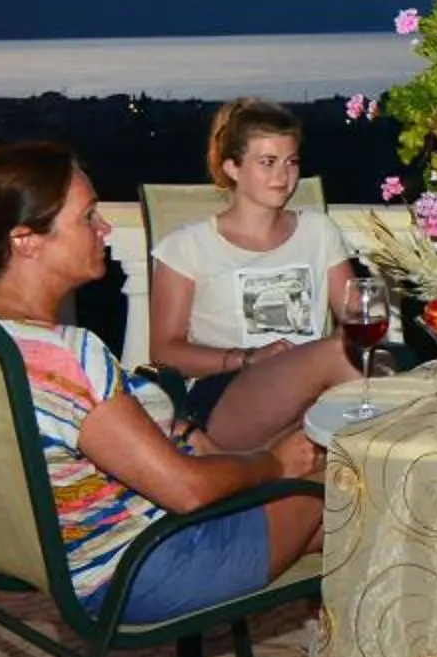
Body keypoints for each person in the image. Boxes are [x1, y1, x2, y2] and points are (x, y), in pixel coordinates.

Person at [0, 141, 322, 623]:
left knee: (341, 529)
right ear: (27, 241)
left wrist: (186, 431)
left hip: (62, 554)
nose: (105, 228)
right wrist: (274, 463)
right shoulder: (68, 356)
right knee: (351, 478)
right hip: (143, 566)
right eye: (87, 217)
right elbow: (187, 491)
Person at [146, 98, 366, 451]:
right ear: (232, 167)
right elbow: (164, 351)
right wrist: (248, 357)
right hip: (228, 393)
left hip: (313, 389)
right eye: (267, 163)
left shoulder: (318, 232)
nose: (283, 176)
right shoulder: (187, 247)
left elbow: (357, 316)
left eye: (291, 162)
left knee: (387, 363)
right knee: (343, 354)